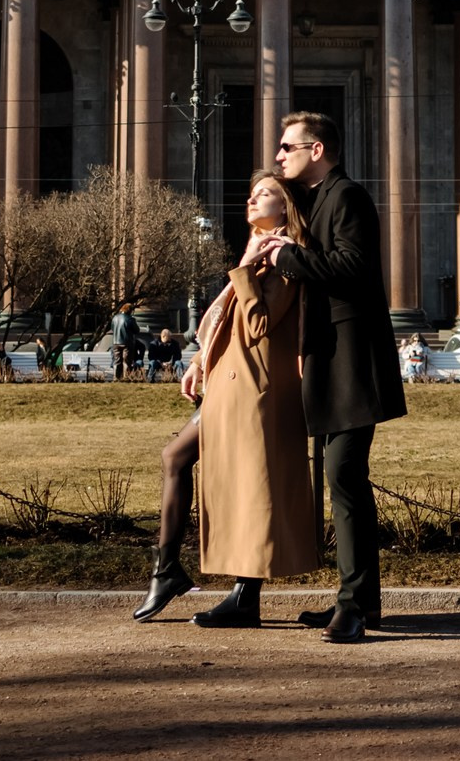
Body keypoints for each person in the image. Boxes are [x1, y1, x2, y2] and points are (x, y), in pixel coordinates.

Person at [133, 170, 316, 625]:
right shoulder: (258, 252)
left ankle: (237, 595)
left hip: (254, 387)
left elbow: (258, 324)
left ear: (285, 205)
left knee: (250, 484)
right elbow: (225, 323)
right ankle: (169, 570)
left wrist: (247, 266)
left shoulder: (284, 255)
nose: (252, 200)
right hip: (229, 382)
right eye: (251, 193)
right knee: (180, 459)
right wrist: (199, 363)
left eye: (264, 194)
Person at [261, 112, 406, 644]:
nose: (279, 156)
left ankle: (355, 606)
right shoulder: (319, 199)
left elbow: (353, 267)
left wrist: (291, 257)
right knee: (341, 480)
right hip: (332, 360)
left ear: (316, 149)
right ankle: (359, 601)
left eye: (287, 147)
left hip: (353, 361)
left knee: (344, 476)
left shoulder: (346, 197)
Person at [111, 303, 141, 380]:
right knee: (126, 361)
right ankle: (126, 377)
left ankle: (116, 377)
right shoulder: (130, 319)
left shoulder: (115, 318)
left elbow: (112, 328)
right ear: (130, 310)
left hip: (116, 342)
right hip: (127, 343)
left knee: (116, 361)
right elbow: (137, 330)